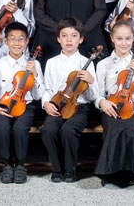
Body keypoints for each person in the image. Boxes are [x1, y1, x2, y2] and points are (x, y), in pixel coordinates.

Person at [94, 21, 134, 187]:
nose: (124, 43)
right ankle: (111, 172)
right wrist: (102, 103)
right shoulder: (103, 64)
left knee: (131, 127)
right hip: (111, 105)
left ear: (133, 39)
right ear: (112, 38)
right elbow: (98, 94)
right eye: (119, 38)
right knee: (113, 126)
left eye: (128, 39)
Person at [40, 17, 100, 183]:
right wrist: (46, 103)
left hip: (79, 108)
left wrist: (90, 80)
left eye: (73, 36)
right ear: (58, 39)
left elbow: (92, 96)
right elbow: (47, 88)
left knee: (68, 131)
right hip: (57, 105)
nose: (69, 40)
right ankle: (57, 168)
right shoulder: (51, 63)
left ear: (80, 39)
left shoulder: (85, 63)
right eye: (64, 36)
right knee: (48, 130)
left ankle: (70, 168)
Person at [0, 22, 43, 184]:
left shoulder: (34, 64)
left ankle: (20, 164)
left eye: (21, 39)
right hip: (4, 105)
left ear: (27, 42)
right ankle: (6, 164)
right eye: (12, 39)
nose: (17, 43)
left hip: (25, 104)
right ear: (5, 42)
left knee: (20, 128)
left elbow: (38, 95)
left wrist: (35, 76)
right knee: (2, 127)